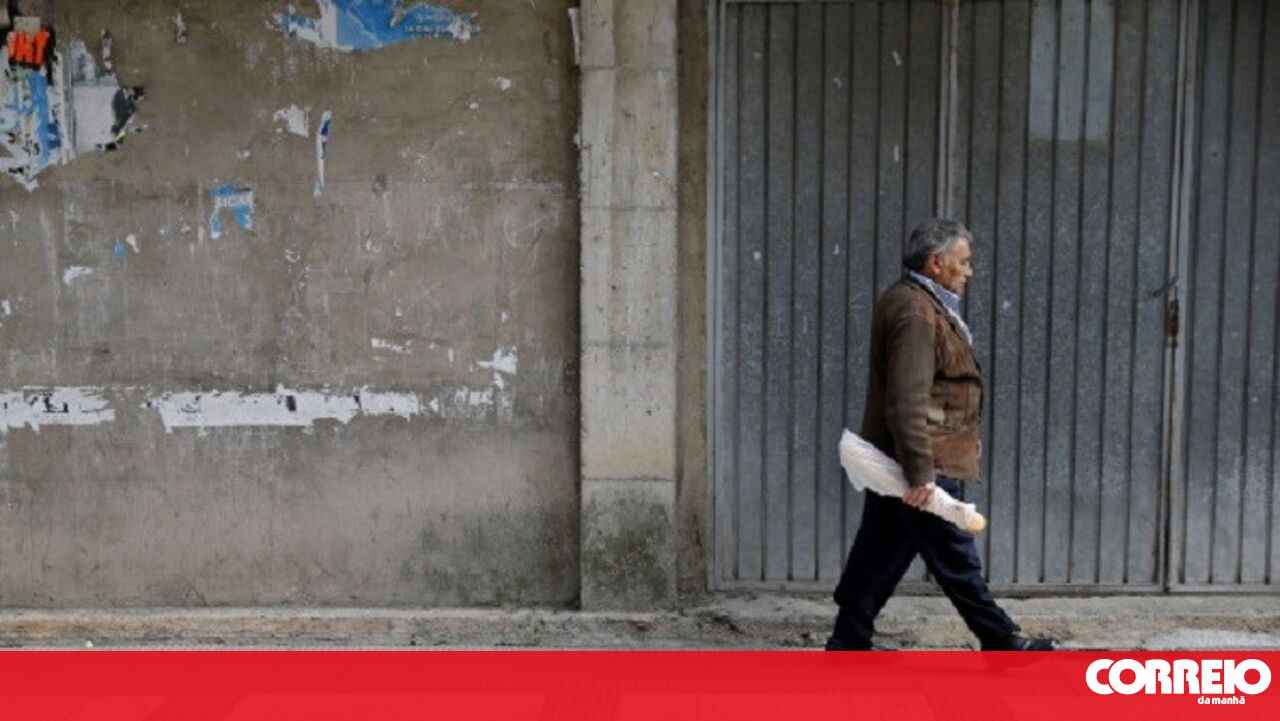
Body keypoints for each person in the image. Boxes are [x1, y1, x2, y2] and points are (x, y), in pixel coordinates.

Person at [826, 218, 1059, 652]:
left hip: (917, 453)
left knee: (879, 549)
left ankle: (848, 639)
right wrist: (921, 474)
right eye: (963, 262)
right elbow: (906, 399)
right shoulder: (917, 313)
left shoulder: (920, 302)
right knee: (954, 554)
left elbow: (941, 387)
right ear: (936, 263)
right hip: (922, 457)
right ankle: (1000, 638)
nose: (970, 271)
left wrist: (965, 435)